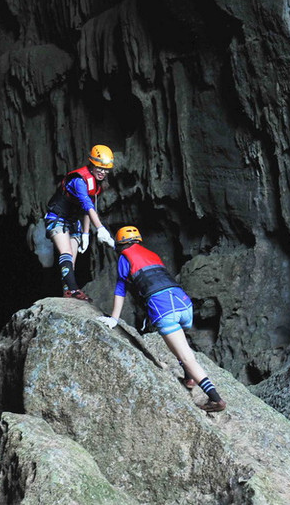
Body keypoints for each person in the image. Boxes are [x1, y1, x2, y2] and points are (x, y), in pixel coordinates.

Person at [96, 226, 226, 412]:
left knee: (186, 356)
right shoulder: (151, 254)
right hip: (183, 303)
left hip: (164, 308)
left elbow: (120, 289)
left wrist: (114, 319)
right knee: (180, 344)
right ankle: (189, 378)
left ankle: (215, 399)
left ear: (120, 244)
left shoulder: (125, 257)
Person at [44, 144, 116, 301]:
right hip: (57, 217)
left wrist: (85, 233)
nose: (103, 172)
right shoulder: (79, 180)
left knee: (72, 262)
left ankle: (67, 292)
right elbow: (87, 205)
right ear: (92, 163)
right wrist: (100, 229)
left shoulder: (97, 183)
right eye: (100, 168)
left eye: (106, 169)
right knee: (66, 253)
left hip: (73, 220)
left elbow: (85, 210)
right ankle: (74, 291)